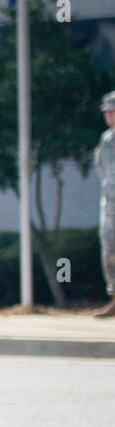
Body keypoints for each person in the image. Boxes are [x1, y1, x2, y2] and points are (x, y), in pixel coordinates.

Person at [94, 91, 115, 318]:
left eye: (112, 111)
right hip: (110, 203)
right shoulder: (106, 140)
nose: (108, 116)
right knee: (109, 250)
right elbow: (102, 169)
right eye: (107, 112)